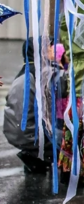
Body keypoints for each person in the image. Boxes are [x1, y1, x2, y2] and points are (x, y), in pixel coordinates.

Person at [3, 39, 53, 174]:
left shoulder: (24, 71)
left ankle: (33, 155)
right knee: (67, 138)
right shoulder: (42, 74)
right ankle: (37, 156)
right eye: (49, 47)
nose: (54, 50)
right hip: (28, 132)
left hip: (14, 131)